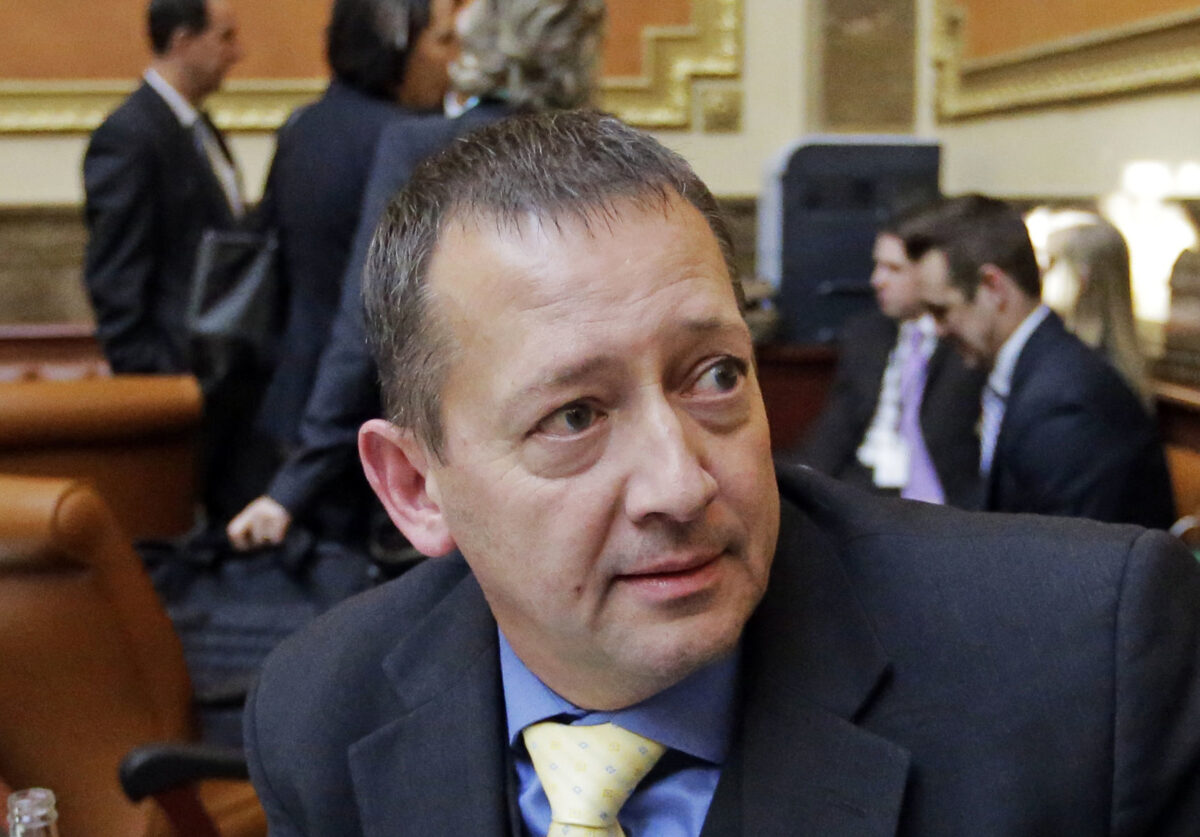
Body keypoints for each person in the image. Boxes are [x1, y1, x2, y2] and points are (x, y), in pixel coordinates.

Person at [244, 111, 1200, 836]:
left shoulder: (1087, 668)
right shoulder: (320, 715)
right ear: (415, 488)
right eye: (574, 416)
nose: (682, 485)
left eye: (714, 376)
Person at [227, 0, 606, 552]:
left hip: (434, 453)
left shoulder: (408, 144)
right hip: (575, 444)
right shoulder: (601, 153)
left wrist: (293, 486)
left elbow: (366, 317)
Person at [254, 0, 463, 455]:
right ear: (396, 49)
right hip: (368, 416)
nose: (456, 61)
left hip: (289, 395)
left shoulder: (302, 126)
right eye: (443, 41)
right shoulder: (410, 142)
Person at [907, 194, 1174, 528]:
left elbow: (1069, 552)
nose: (937, 328)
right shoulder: (1030, 370)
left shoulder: (1066, 401)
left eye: (941, 310)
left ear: (993, 286)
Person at [83, 0, 244, 375]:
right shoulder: (129, 136)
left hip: (216, 365)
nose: (237, 53)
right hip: (173, 371)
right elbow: (115, 271)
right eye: (225, 37)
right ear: (183, 41)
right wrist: (148, 369)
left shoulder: (199, 127)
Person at [794, 212, 984, 507]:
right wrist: (804, 485)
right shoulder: (865, 334)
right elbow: (838, 426)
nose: (877, 280)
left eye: (894, 269)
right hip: (863, 481)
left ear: (930, 272)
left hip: (932, 495)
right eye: (877, 266)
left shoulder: (964, 337)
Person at [1043, 215, 1152, 408]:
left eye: (1052, 263)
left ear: (1082, 277)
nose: (1041, 275)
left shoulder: (1087, 372)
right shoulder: (1118, 363)